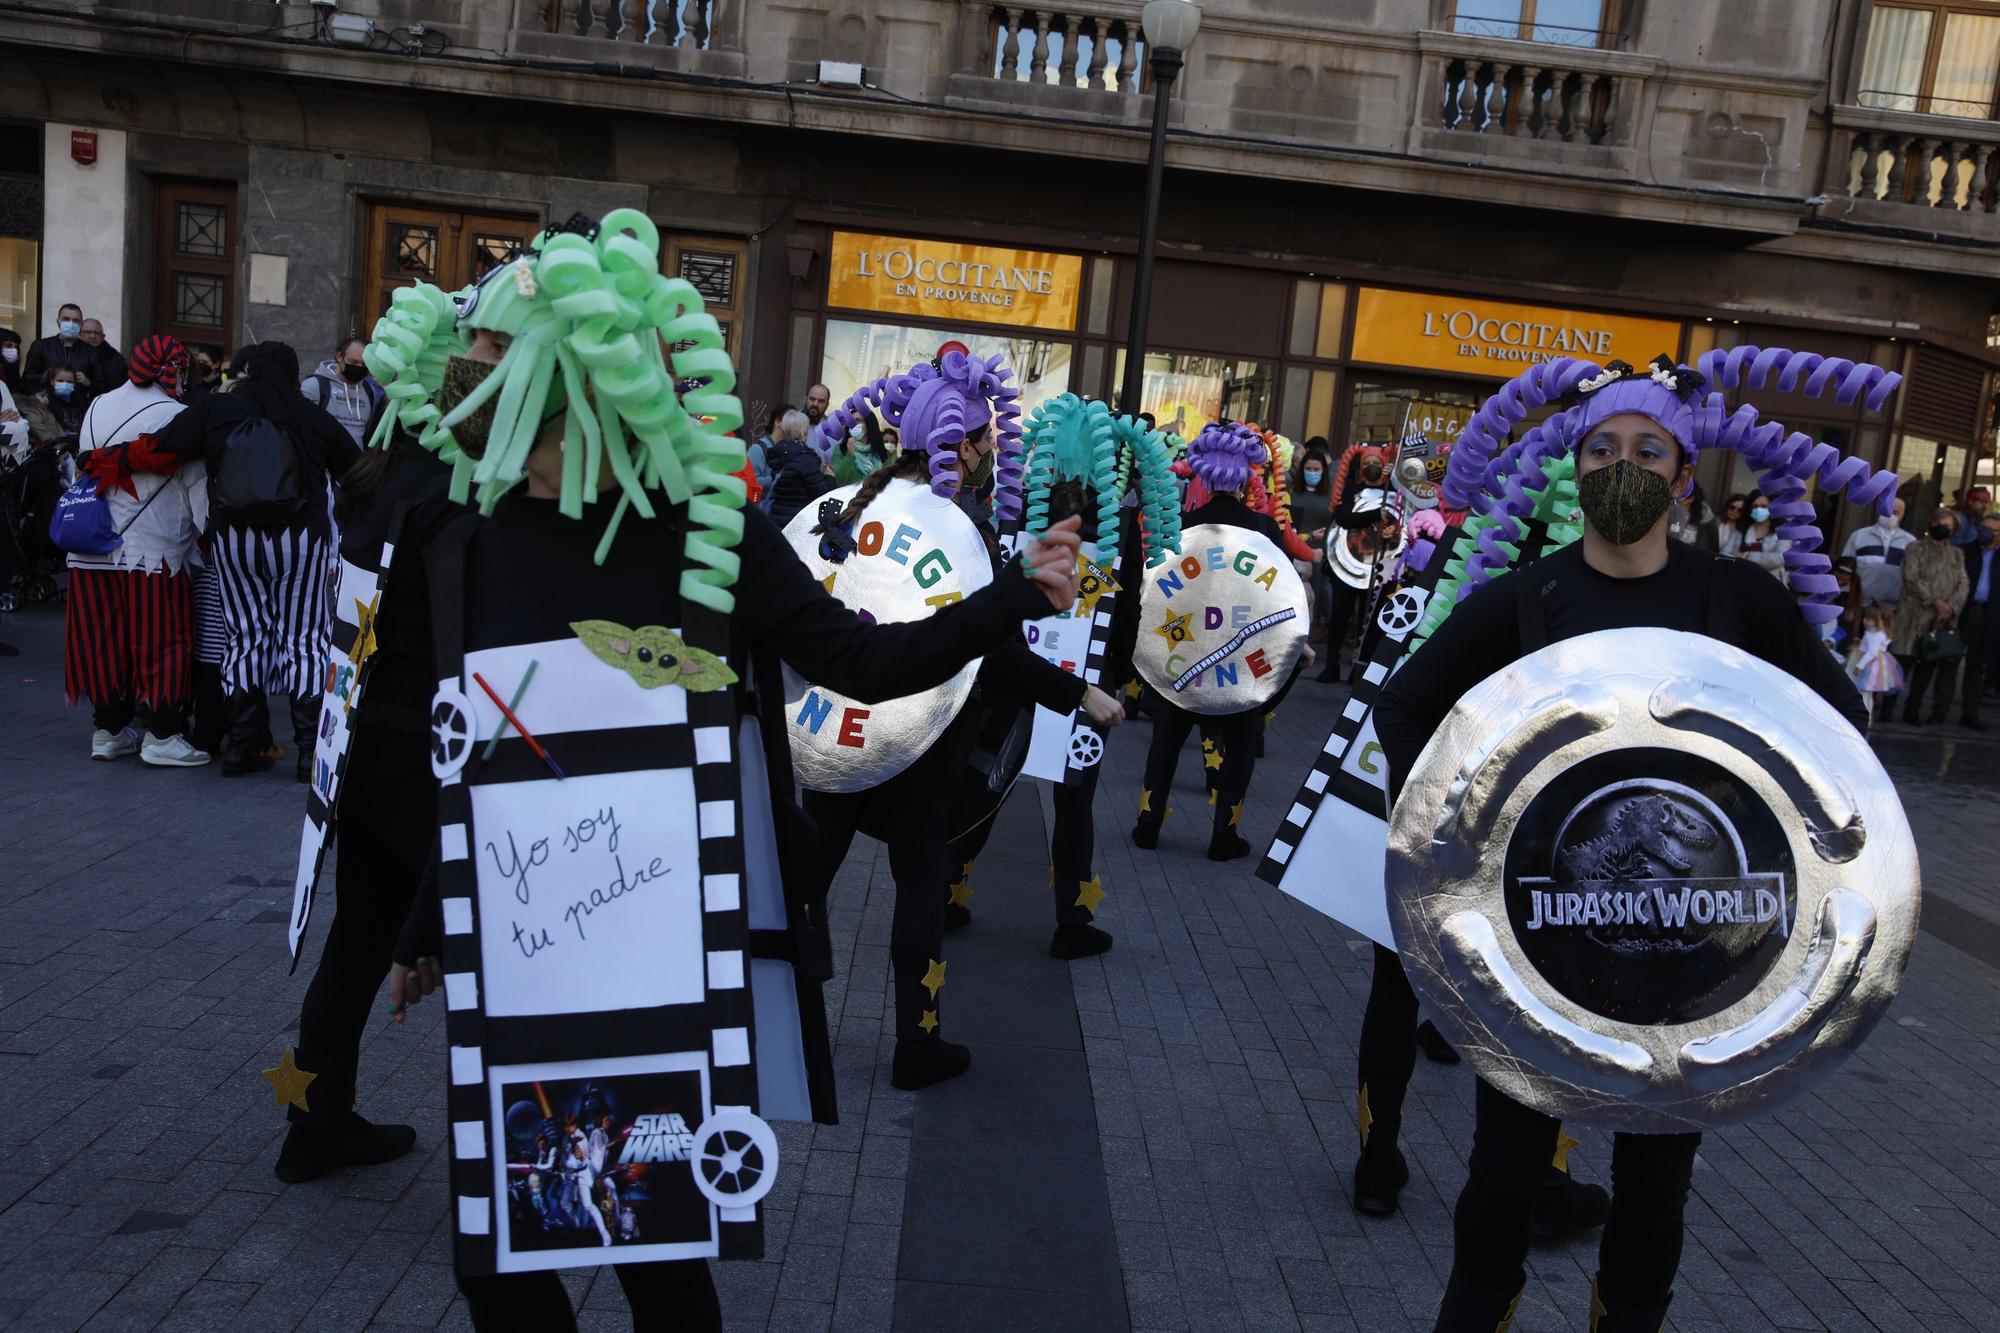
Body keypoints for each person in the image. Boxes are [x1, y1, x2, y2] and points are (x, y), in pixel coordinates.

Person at [369, 213, 1082, 1330]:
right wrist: (423, 927)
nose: (478, 399)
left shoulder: (706, 531)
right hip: (523, 955)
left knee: (654, 1252)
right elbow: (476, 758)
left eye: (501, 376)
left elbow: (858, 660)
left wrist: (1011, 599)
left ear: (576, 389)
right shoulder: (474, 542)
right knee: (495, 1261)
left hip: (660, 955)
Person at [1374, 350, 1881, 1330]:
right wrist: (1455, 846)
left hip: (1686, 968)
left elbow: (1840, 732)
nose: (1622, 464)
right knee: (1498, 1181)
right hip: (1535, 956)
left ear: (1682, 475)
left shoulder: (1737, 602)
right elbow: (1407, 708)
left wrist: (1787, 867)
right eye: (1600, 446)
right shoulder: (1526, 601)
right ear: (1571, 466)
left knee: (1652, 1200)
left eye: (1647, 448)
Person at [806, 347, 1084, 1086]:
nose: (992, 451)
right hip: (925, 739)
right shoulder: (962, 531)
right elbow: (989, 649)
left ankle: (784, 1022)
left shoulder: (854, 502)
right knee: (919, 882)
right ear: (959, 445)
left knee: (810, 873)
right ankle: (916, 1043)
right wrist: (1078, 693)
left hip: (832, 728)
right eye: (985, 439)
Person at [939, 395, 1181, 959]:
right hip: (1088, 680)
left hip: (1016, 670)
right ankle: (1072, 921)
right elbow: (1128, 612)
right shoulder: (1119, 524)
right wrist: (1117, 674)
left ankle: (945, 894)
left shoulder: (1030, 508)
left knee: (988, 783)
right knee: (1075, 801)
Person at [83, 341, 361, 777]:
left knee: (244, 636)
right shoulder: (309, 415)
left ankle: (242, 745)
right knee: (305, 637)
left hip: (233, 540)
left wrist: (100, 460)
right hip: (302, 539)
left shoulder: (216, 410)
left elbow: (157, 452)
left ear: (248, 370)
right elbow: (357, 473)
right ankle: (310, 749)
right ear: (293, 376)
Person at [1132, 421, 1312, 862]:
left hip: (1184, 650)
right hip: (1242, 655)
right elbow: (1279, 595)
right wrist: (1296, 644)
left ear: (1203, 476)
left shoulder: (1181, 524)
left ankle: (1148, 823)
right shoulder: (1263, 529)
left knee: (1167, 738)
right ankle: (1223, 835)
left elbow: (1153, 590)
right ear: (1246, 476)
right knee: (1241, 742)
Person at [65, 335, 212, 767]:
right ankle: (163, 734)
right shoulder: (178, 415)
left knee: (102, 639)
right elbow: (196, 485)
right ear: (177, 368)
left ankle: (109, 730)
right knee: (161, 638)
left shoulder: (98, 404)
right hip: (153, 547)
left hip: (91, 543)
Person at [1892, 507, 1969, 725]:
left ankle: (1913, 709)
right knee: (1902, 663)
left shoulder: (1956, 554)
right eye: (1939, 524)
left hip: (1939, 621)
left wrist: (1950, 608)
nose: (1941, 529)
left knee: (1927, 667)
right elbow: (1912, 577)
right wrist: (1936, 601)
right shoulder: (1915, 548)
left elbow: (1963, 583)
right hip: (1913, 616)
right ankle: (1887, 706)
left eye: (1947, 526)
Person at [302, 337, 385, 446]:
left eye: (364, 364)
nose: (359, 367)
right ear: (339, 357)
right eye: (353, 362)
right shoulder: (314, 386)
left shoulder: (369, 391)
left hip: (358, 460)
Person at [1960, 512, 2000, 729]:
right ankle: (1937, 711)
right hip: (1963, 610)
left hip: (1989, 614)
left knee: (1977, 665)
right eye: (1983, 527)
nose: (1985, 533)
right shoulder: (1966, 551)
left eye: (1992, 530)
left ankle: (1969, 713)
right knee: (1949, 659)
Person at [1839, 495, 1914, 607]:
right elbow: (1844, 570)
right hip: (1859, 604)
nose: (1890, 515)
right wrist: (1845, 599)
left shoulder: (1911, 543)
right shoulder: (1859, 536)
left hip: (1893, 608)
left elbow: (1913, 576)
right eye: (1886, 511)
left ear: (1903, 514)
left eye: (1895, 512)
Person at [764, 408, 832, 526]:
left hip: (777, 519)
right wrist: (829, 477)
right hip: (798, 522)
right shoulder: (806, 459)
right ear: (803, 432)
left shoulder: (779, 453)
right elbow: (823, 494)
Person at [21, 302, 93, 395]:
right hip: (46, 404)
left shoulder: (90, 351)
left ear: (81, 324)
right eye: (66, 319)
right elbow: (27, 379)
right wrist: (48, 378)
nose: (71, 323)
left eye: (75, 320)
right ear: (58, 321)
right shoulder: (40, 346)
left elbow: (101, 385)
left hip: (78, 406)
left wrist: (88, 382)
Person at [1848, 603, 1904, 719]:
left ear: (1878, 621)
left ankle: (1863, 716)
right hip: (1870, 663)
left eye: (1868, 619)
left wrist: (1860, 666)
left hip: (1868, 665)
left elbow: (1872, 652)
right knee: (1866, 693)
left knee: (1863, 692)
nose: (1864, 621)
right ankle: (1865, 716)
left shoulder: (1876, 635)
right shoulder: (1876, 633)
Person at [20, 364, 88, 444]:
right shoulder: (45, 401)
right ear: (52, 381)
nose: (65, 384)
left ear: (74, 384)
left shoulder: (80, 400)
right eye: (60, 381)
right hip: (59, 442)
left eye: (69, 382)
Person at [831, 407, 889, 485]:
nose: (853, 425)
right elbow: (838, 480)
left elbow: (889, 480)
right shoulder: (841, 450)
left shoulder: (881, 452)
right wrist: (849, 455)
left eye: (857, 420)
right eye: (850, 421)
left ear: (869, 424)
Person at [746, 403, 789, 494]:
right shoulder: (758, 449)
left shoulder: (791, 449)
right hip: (762, 506)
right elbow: (751, 482)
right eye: (791, 420)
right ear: (778, 422)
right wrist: (779, 479)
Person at [79, 318, 127, 392]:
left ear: (103, 337)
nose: (92, 336)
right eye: (88, 332)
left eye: (97, 333)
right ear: (79, 334)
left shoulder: (116, 359)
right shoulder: (71, 353)